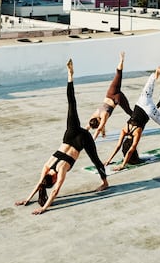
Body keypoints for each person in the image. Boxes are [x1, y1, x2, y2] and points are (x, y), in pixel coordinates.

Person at [15, 59, 108, 215]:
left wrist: (43, 208)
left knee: (96, 160)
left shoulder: (61, 169)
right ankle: (70, 76)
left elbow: (55, 191)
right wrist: (27, 199)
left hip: (80, 140)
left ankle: (105, 183)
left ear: (52, 178)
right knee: (71, 104)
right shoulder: (47, 167)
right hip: (71, 135)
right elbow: (40, 184)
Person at [86, 52, 133, 140]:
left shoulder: (104, 115)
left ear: (98, 122)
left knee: (129, 112)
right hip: (111, 93)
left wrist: (92, 141)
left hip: (117, 98)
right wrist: (103, 132)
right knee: (118, 74)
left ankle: (138, 121)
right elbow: (88, 128)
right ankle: (121, 60)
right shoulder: (94, 115)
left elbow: (99, 128)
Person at [104, 101, 150, 171]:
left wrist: (122, 165)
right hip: (138, 106)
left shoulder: (137, 132)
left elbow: (130, 150)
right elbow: (118, 146)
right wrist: (108, 160)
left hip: (146, 109)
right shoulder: (124, 130)